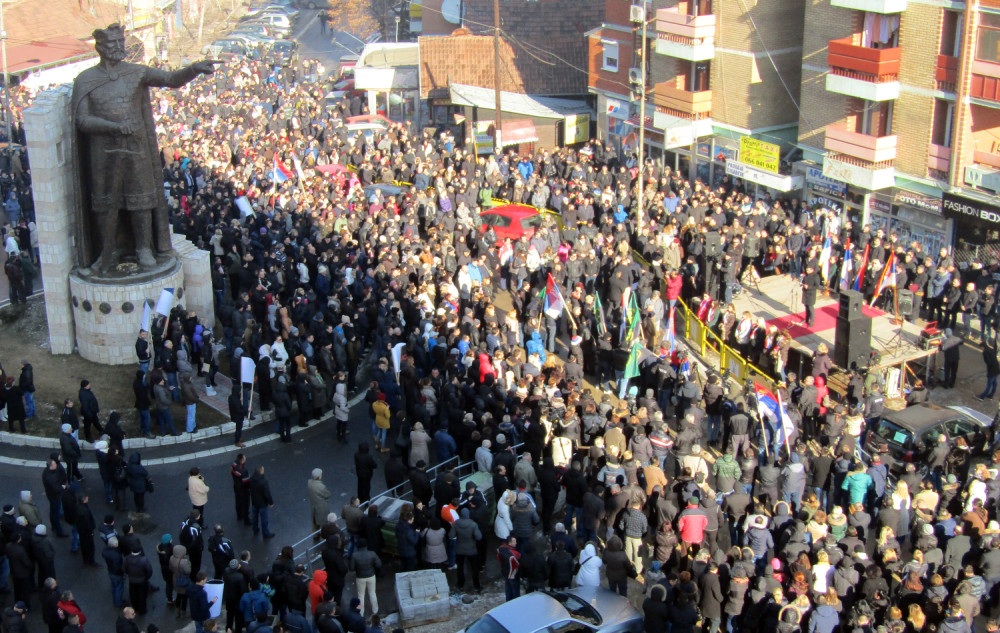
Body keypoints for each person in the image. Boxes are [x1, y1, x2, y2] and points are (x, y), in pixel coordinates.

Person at [349, 538, 381, 617]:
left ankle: (361, 613)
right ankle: (375, 611)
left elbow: (351, 568)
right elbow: (379, 565)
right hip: (371, 576)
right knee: (372, 593)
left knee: (361, 595)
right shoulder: (372, 554)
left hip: (360, 577)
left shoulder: (354, 555)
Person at [250, 465, 274, 538]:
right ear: (261, 471)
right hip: (262, 504)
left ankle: (255, 529)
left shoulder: (251, 479)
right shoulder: (263, 482)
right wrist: (271, 502)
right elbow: (267, 493)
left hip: (254, 501)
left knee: (255, 517)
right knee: (264, 520)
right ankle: (265, 533)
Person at [231, 454, 251, 526]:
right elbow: (246, 482)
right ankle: (246, 519)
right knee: (245, 504)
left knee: (238, 501)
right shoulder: (244, 471)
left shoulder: (234, 464)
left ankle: (239, 515)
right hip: (243, 489)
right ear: (242, 460)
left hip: (236, 486)